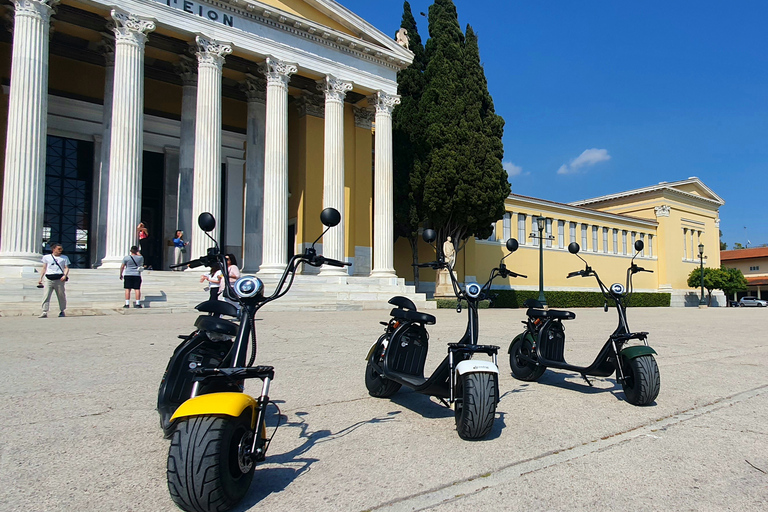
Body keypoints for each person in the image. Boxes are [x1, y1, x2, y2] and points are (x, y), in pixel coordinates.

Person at [38, 243, 70, 318]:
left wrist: (65, 275)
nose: (60, 250)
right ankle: (44, 311)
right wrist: (40, 278)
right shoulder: (46, 257)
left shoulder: (64, 258)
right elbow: (44, 268)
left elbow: (66, 268)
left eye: (61, 249)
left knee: (61, 295)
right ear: (53, 249)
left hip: (59, 278)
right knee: (46, 295)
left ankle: (62, 310)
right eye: (59, 249)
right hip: (48, 278)